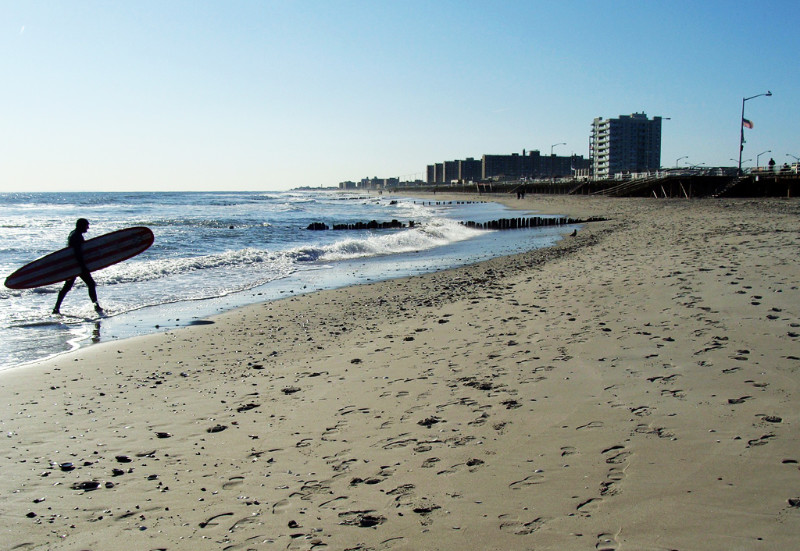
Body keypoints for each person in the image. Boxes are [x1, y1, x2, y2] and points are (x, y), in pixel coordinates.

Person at [53, 218, 103, 315]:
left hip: (73, 265)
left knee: (67, 287)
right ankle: (96, 306)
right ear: (81, 225)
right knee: (90, 284)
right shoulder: (77, 236)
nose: (88, 228)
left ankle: (56, 308)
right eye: (86, 225)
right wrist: (83, 267)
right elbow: (77, 253)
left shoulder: (74, 234)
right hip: (77, 265)